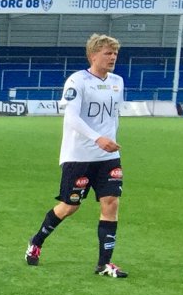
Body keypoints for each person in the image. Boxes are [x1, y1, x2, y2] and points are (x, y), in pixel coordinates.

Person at [24, 34, 128, 277]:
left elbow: (113, 116)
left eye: (115, 53)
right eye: (108, 53)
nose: (113, 57)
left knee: (111, 202)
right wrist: (98, 138)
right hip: (78, 155)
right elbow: (71, 117)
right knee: (70, 206)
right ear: (93, 55)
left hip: (107, 157)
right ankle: (36, 241)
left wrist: (109, 140)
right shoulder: (77, 81)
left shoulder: (117, 82)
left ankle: (104, 264)